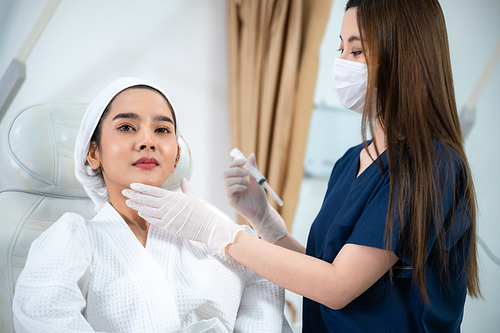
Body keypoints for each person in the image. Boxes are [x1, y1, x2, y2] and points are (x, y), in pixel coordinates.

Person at [123, 0, 481, 332]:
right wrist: (266, 223)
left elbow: (337, 286)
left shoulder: (433, 166)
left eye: (356, 51)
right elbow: (321, 270)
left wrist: (217, 231)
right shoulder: (349, 163)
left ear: (406, 58)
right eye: (340, 48)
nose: (341, 62)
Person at [12, 77, 292, 333]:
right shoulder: (73, 237)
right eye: (126, 127)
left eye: (162, 129)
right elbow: (44, 313)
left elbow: (266, 295)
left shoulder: (215, 231)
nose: (147, 141)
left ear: (176, 156)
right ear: (93, 152)